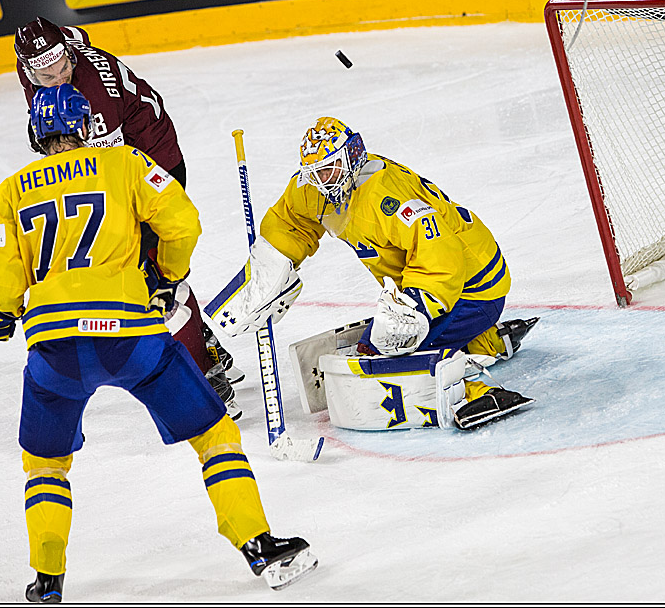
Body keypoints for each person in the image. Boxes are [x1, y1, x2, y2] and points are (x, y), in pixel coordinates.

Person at [0, 84, 317, 602]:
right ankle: (258, 545)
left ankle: (47, 579)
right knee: (215, 437)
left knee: (45, 466)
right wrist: (165, 275)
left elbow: (2, 279)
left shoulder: (10, 191)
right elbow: (183, 222)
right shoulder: (127, 163)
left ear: (36, 134)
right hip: (131, 338)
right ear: (86, 126)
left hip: (55, 353)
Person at [207, 117, 537, 431]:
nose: (323, 180)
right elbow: (290, 223)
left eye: (329, 168)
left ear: (352, 157)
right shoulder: (314, 188)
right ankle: (486, 342)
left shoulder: (387, 197)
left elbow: (441, 255)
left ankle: (469, 392)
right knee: (388, 336)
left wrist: (416, 309)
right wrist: (269, 272)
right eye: (315, 172)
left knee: (384, 348)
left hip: (474, 288)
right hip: (436, 279)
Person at [13, 16, 243, 418]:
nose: (58, 75)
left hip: (153, 162)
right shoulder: (45, 57)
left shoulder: (96, 99)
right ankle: (204, 343)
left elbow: (109, 172)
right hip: (123, 157)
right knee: (148, 270)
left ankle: (206, 378)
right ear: (29, 66)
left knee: (153, 274)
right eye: (46, 72)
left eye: (64, 67)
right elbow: (76, 37)